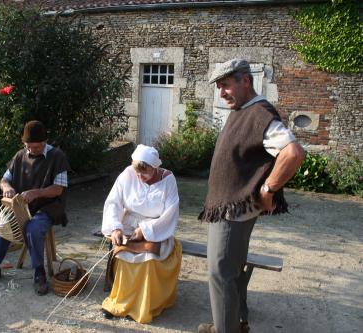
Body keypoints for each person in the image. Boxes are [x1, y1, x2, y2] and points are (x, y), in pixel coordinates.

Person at [197, 59, 305, 333]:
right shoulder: (243, 110)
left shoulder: (259, 113)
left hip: (234, 211)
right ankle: (233, 324)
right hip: (226, 207)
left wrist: (269, 188)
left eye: (226, 85)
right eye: (219, 87)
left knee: (221, 275)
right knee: (230, 272)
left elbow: (293, 153)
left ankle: (226, 329)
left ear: (246, 81)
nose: (221, 92)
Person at [0, 120, 70, 296]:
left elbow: (58, 189)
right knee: (4, 225)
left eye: (36, 148)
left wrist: (36, 193)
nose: (32, 151)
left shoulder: (57, 157)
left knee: (33, 228)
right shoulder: (20, 156)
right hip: (23, 207)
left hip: (48, 206)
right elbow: (4, 180)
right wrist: (7, 188)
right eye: (28, 147)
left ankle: (39, 273)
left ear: (44, 142)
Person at [101, 144, 182, 323]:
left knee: (148, 259)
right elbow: (113, 202)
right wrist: (116, 227)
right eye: (138, 173)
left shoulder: (168, 179)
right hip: (128, 226)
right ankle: (121, 303)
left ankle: (141, 307)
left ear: (155, 167)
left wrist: (146, 230)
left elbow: (171, 212)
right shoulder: (128, 174)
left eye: (145, 173)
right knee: (123, 254)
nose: (140, 177)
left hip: (157, 230)